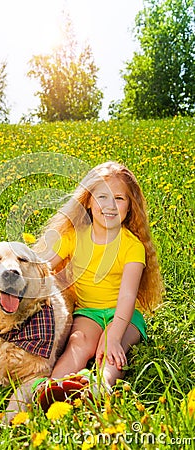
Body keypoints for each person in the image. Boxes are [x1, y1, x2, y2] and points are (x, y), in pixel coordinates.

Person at [32, 161, 163, 410]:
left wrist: (113, 336)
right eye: (101, 197)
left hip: (124, 316)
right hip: (88, 313)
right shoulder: (72, 236)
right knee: (79, 342)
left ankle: (99, 388)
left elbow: (127, 297)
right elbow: (44, 268)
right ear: (88, 202)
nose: (110, 205)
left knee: (108, 347)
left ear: (130, 207)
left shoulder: (132, 246)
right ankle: (52, 387)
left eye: (119, 198)